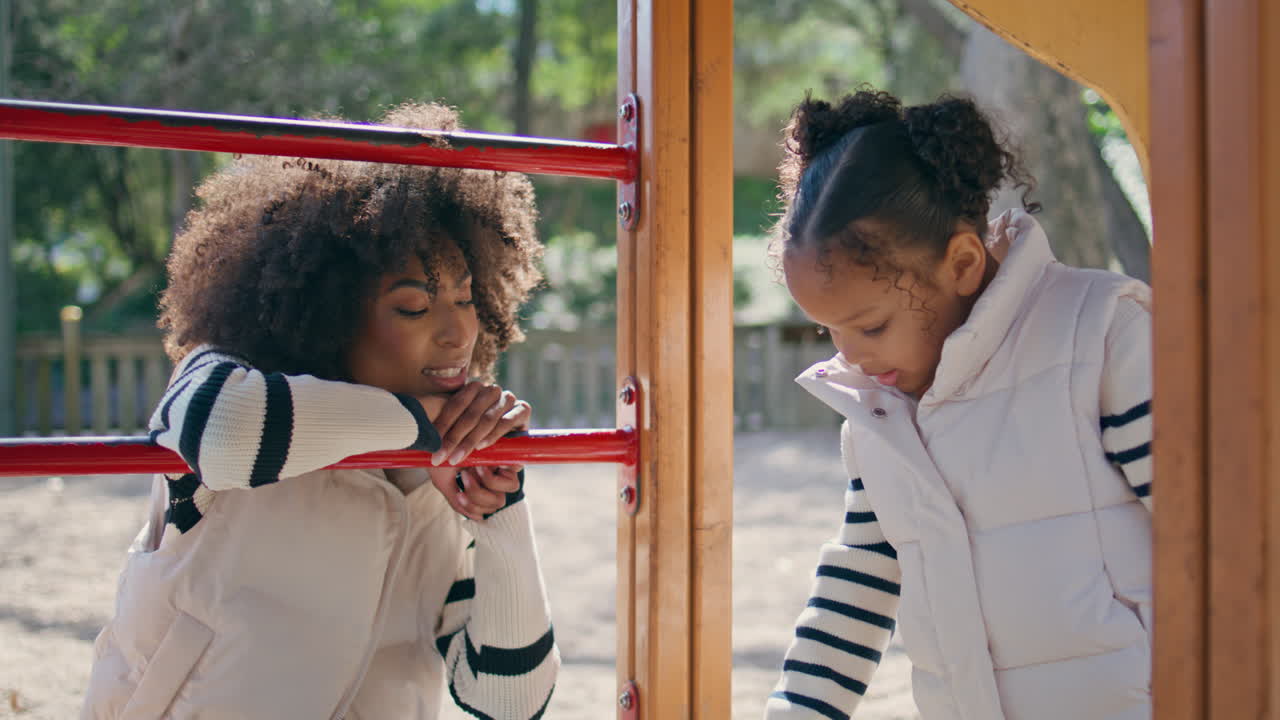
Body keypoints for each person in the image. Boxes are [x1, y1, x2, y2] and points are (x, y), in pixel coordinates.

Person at [82, 102, 560, 720]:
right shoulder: (224, 374)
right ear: (329, 314)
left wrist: (500, 517)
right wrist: (421, 421)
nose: (457, 334)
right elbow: (220, 434)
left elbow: (510, 700)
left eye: (466, 299)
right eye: (414, 308)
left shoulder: (443, 473)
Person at [764, 88, 1152, 720]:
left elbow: (1218, 541)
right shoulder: (879, 412)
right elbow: (859, 584)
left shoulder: (1101, 338)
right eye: (828, 331)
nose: (850, 358)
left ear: (963, 264)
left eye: (871, 325)